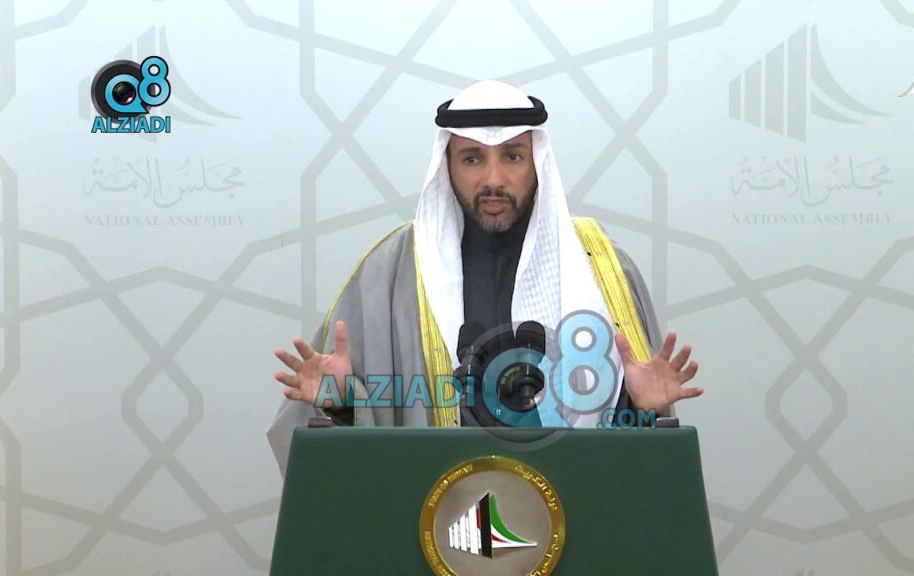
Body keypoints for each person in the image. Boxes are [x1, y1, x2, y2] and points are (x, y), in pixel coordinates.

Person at [267, 80, 702, 474]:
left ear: (537, 163)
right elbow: (348, 443)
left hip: (574, 500)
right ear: (447, 166)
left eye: (512, 156)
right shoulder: (392, 269)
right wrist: (343, 402)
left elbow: (632, 443)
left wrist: (641, 409)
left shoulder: (601, 265)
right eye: (473, 159)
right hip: (433, 507)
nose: (494, 179)